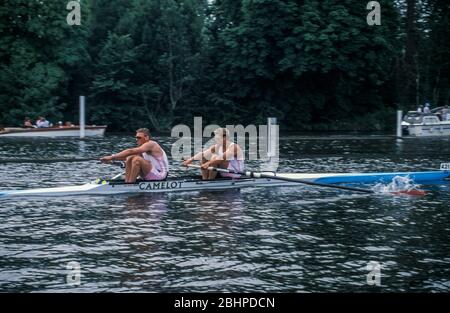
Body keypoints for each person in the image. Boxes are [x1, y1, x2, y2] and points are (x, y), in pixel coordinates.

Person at [100, 128, 169, 183]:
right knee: (130, 157)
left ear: (146, 137)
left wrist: (112, 157)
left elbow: (130, 151)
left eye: (139, 137)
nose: (137, 140)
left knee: (136, 159)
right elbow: (126, 158)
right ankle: (128, 183)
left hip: (161, 176)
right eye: (136, 137)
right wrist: (111, 161)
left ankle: (130, 185)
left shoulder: (151, 144)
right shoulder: (143, 149)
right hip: (150, 174)